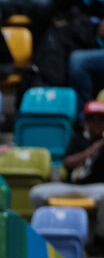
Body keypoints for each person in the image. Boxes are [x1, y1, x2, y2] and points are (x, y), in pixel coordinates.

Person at [30, 99, 104, 247]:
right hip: (72, 186)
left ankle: (100, 238)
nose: (96, 124)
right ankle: (41, 236)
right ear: (87, 121)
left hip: (97, 188)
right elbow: (67, 163)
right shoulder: (78, 138)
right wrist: (91, 151)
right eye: (93, 120)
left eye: (101, 120)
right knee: (36, 193)